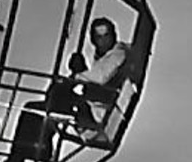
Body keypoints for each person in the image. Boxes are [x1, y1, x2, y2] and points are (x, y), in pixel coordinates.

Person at [41, 17, 130, 148]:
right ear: (94, 40)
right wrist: (80, 68)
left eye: (107, 35)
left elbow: (100, 76)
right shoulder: (102, 57)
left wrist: (76, 76)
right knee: (53, 98)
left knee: (60, 88)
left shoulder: (118, 54)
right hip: (93, 103)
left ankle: (42, 142)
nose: (103, 41)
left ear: (113, 36)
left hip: (98, 111)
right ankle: (44, 139)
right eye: (99, 37)